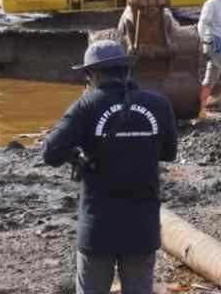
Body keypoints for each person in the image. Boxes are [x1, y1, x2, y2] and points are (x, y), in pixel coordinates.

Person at [43, 39, 178, 294]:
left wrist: (76, 155)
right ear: (126, 70)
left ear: (94, 75)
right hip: (142, 227)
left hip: (98, 229)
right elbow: (169, 154)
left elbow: (51, 152)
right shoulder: (160, 104)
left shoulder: (87, 105)